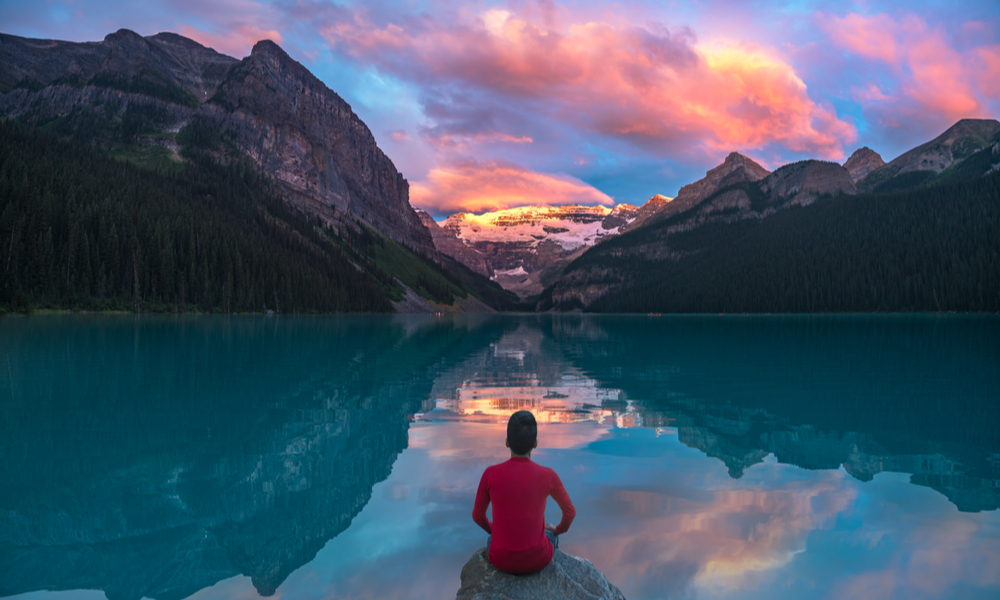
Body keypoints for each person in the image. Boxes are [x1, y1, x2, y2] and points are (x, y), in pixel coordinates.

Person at [472, 410, 576, 574]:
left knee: (491, 539)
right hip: (538, 559)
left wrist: (494, 529)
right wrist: (556, 530)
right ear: (535, 443)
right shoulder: (548, 475)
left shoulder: (490, 474)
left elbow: (477, 516)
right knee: (549, 535)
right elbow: (570, 513)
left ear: (507, 442)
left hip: (499, 559)